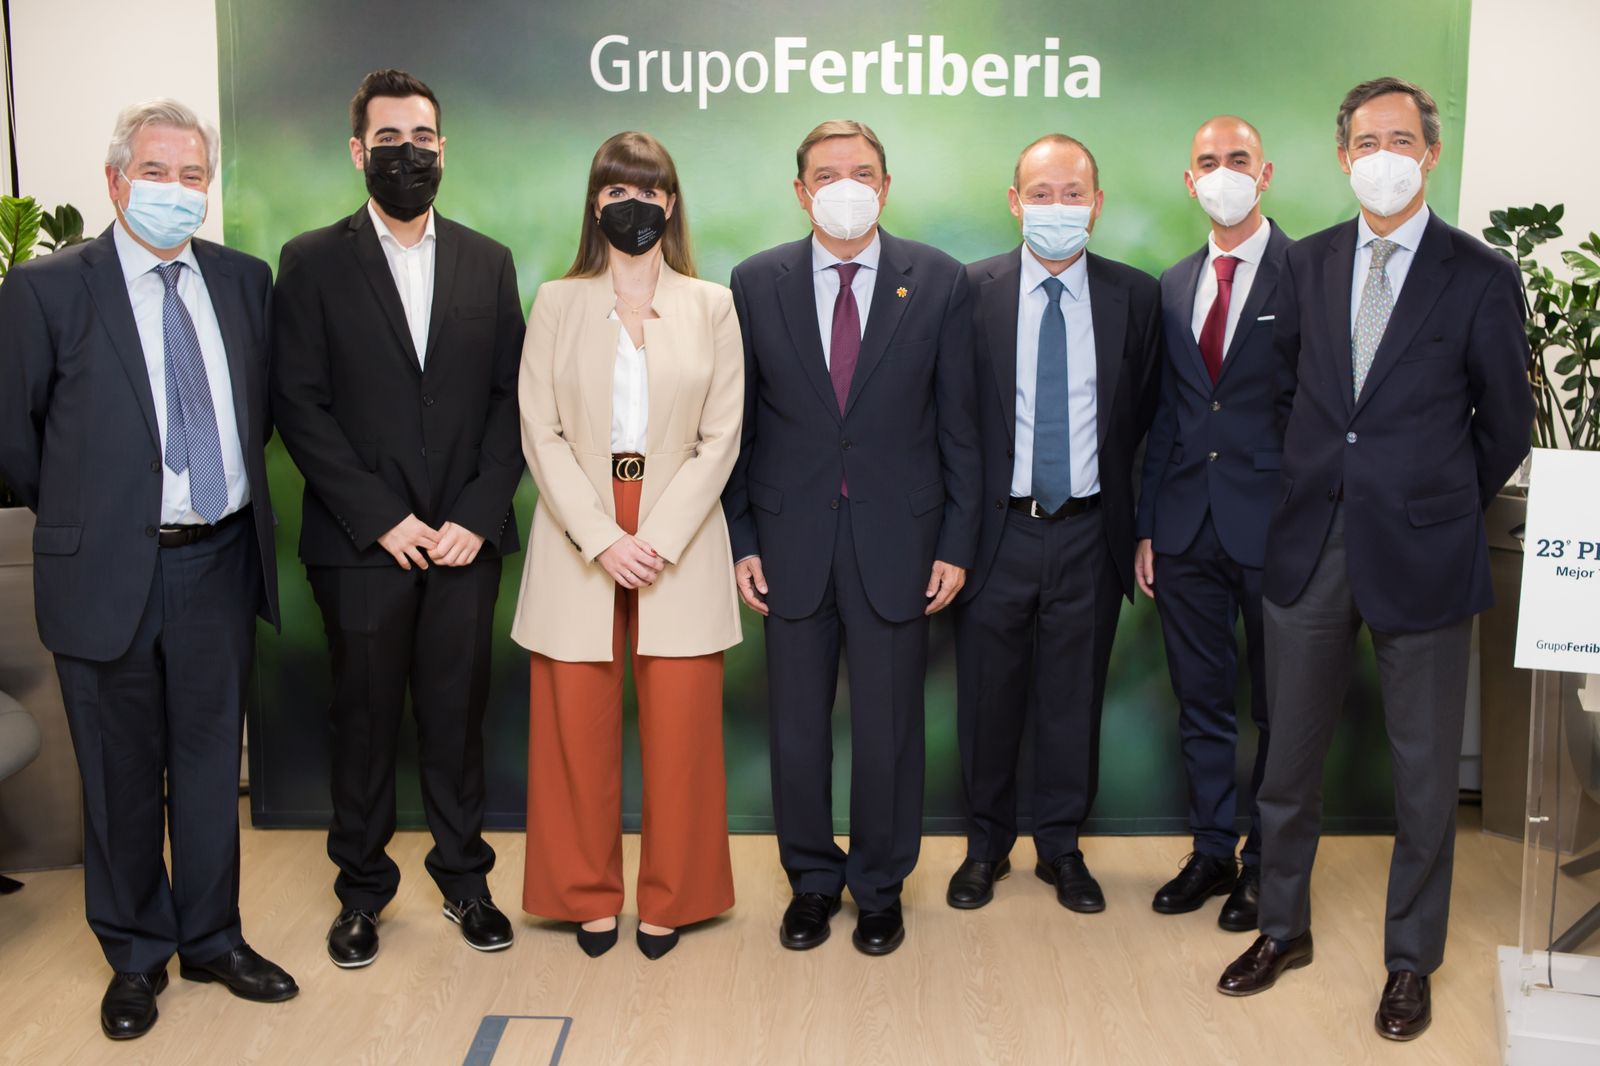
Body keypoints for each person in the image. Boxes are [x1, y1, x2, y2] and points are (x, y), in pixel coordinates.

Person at [1216, 77, 1534, 1042]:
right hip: (1310, 542)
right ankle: (1281, 927)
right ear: (1344, 155)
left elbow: (1506, 423)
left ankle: (1410, 961)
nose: (1383, 153)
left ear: (1430, 153)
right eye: (1366, 139)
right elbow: (1283, 401)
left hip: (1427, 550)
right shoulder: (1305, 265)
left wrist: (1435, 499)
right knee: (1287, 761)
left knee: (1426, 773)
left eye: (1401, 137)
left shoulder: (1478, 273)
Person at [0, 99, 296, 1039]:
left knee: (211, 768)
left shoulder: (245, 283)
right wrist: (98, 516)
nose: (178, 192)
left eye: (194, 176)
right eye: (159, 173)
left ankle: (213, 937)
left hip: (217, 560)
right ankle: (135, 954)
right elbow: (14, 442)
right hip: (104, 572)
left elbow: (266, 412)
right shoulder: (48, 291)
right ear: (116, 180)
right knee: (120, 776)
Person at [271, 69, 526, 968]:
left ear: (443, 149)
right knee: (366, 718)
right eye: (389, 139)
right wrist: (384, 520)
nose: (408, 153)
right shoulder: (311, 259)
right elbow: (299, 405)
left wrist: (474, 515)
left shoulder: (486, 261)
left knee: (457, 720)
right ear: (358, 151)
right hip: (360, 545)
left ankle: (466, 882)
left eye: (423, 137)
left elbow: (511, 401)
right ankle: (362, 894)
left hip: (464, 541)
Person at [721, 120, 980, 956]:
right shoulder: (756, 281)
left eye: (861, 171)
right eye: (826, 174)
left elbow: (961, 428)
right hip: (789, 540)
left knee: (890, 728)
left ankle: (878, 887)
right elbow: (739, 424)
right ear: (799, 191)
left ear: (886, 184)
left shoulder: (937, 280)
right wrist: (741, 535)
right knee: (796, 728)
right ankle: (809, 881)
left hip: (901, 543)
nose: (844, 185)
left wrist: (957, 541)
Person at [512, 132, 742, 961]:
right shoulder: (555, 300)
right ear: (594, 204)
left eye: (646, 191)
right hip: (580, 525)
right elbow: (540, 432)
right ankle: (586, 894)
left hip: (679, 522)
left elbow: (721, 438)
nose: (631, 205)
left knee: (682, 730)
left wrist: (660, 535)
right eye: (614, 192)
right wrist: (604, 535)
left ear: (671, 203)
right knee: (575, 723)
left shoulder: (713, 304)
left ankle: (674, 896)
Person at [947, 135, 1161, 915]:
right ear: (1014, 202)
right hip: (995, 533)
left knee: (1074, 699)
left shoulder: (1136, 297)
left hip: (1090, 530)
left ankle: (1062, 849)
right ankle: (984, 848)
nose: (1058, 208)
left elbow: (1148, 425)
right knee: (987, 698)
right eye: (1042, 192)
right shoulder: (968, 291)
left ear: (1097, 205)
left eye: (1074, 194)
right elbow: (952, 425)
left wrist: (1143, 526)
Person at [1134, 116, 1293, 932]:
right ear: (1187, 179)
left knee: (1278, 707)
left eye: (1238, 160)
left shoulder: (1307, 273)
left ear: (1264, 176)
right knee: (1201, 703)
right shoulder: (1172, 281)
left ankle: (1266, 866)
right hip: (1186, 527)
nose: (1222, 173)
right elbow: (1169, 413)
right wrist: (1148, 525)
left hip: (1277, 531)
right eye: (1207, 162)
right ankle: (1210, 851)